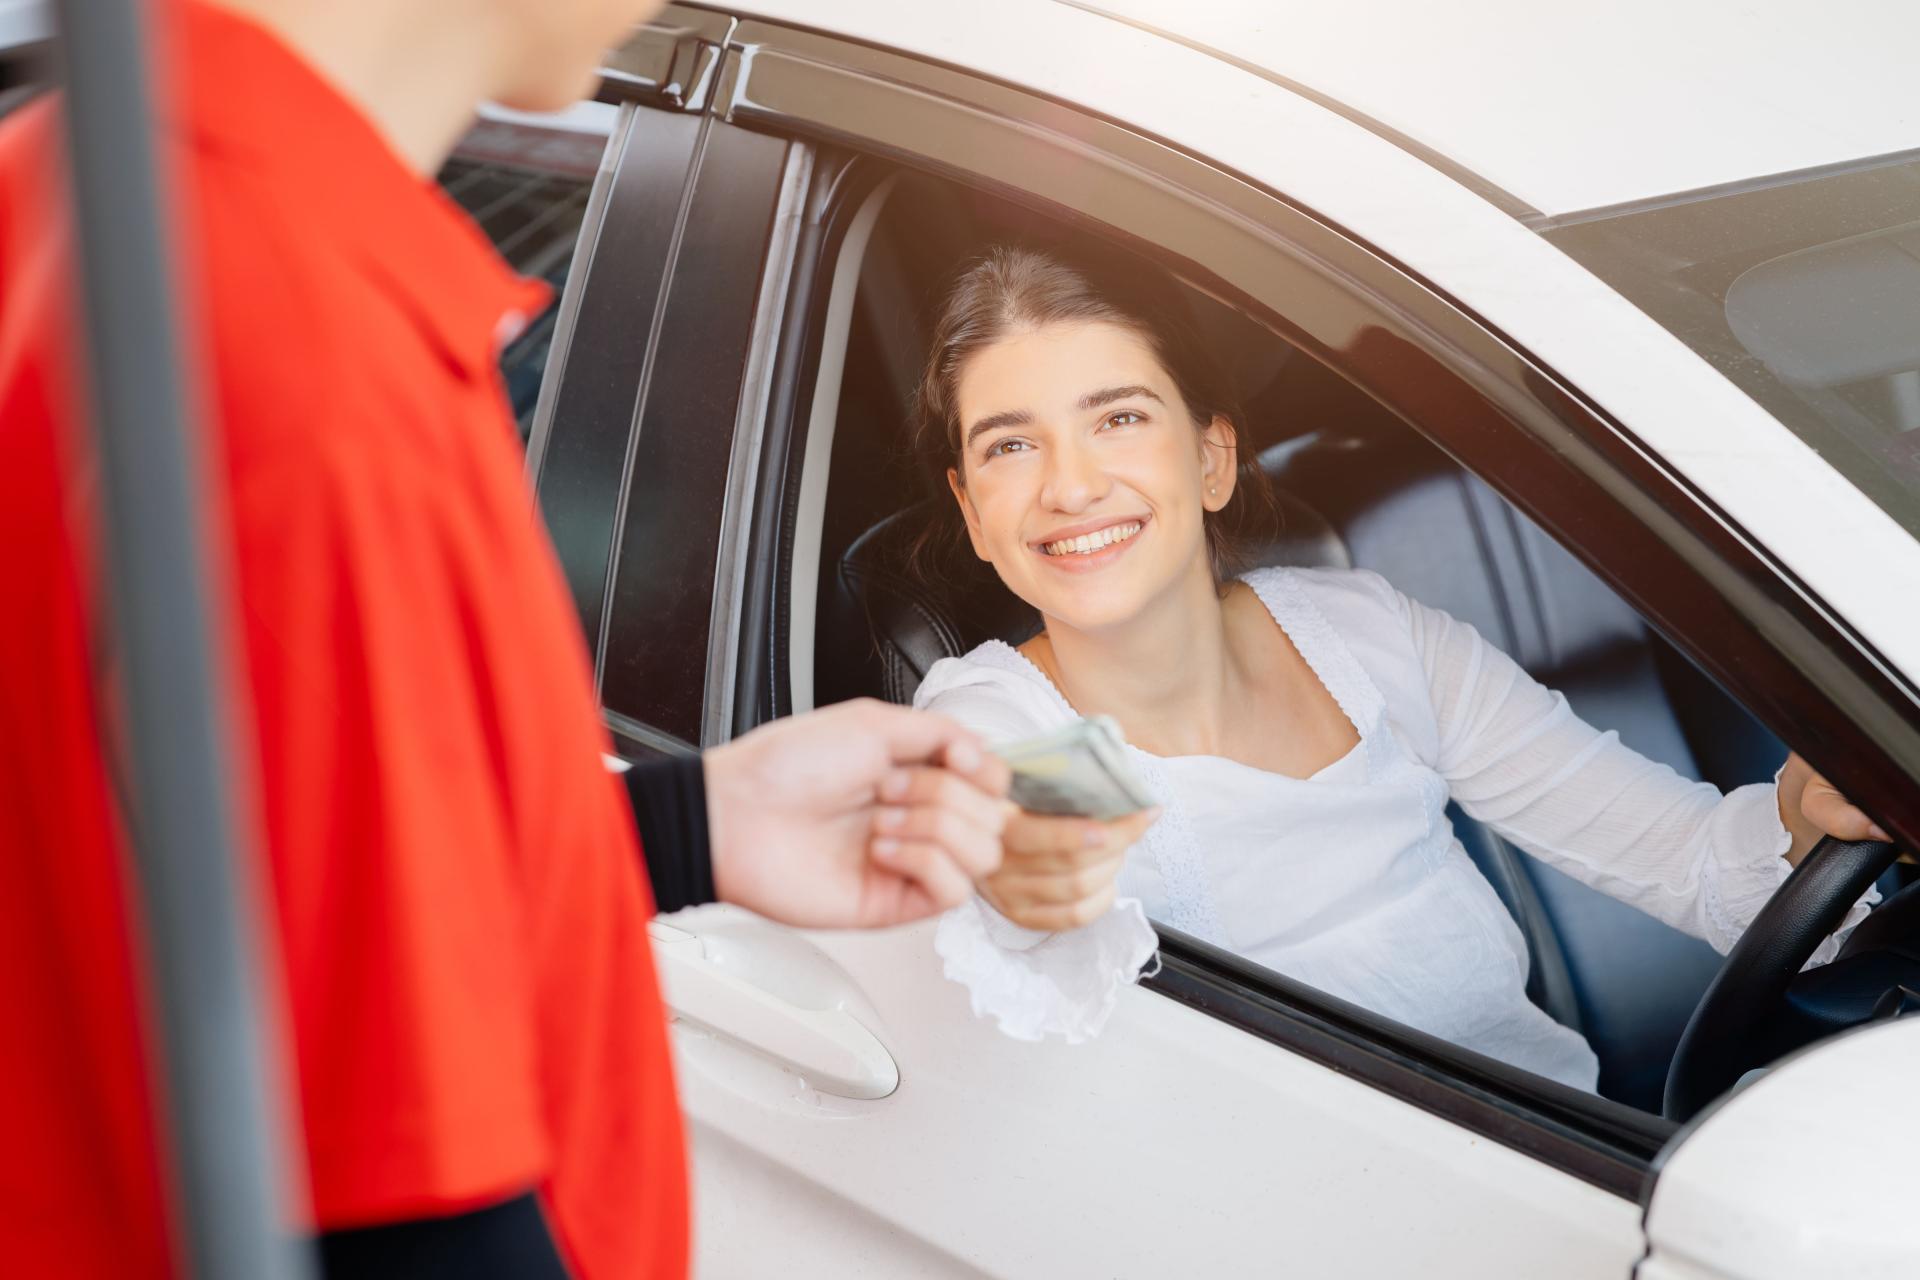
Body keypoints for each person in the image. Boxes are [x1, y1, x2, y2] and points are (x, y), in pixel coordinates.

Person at [0, 3, 1042, 1276]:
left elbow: (230, 917)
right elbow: (394, 1211)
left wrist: (686, 825)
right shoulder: (313, 383)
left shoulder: (65, 183)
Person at [906, 243, 1895, 1086]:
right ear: (971, 513)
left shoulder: (1365, 634)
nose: (1070, 484)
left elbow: (1689, 864)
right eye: (1009, 446)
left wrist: (1801, 818)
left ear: (1211, 460)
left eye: (1118, 418)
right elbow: (1032, 894)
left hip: (1562, 1173)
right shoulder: (1011, 727)